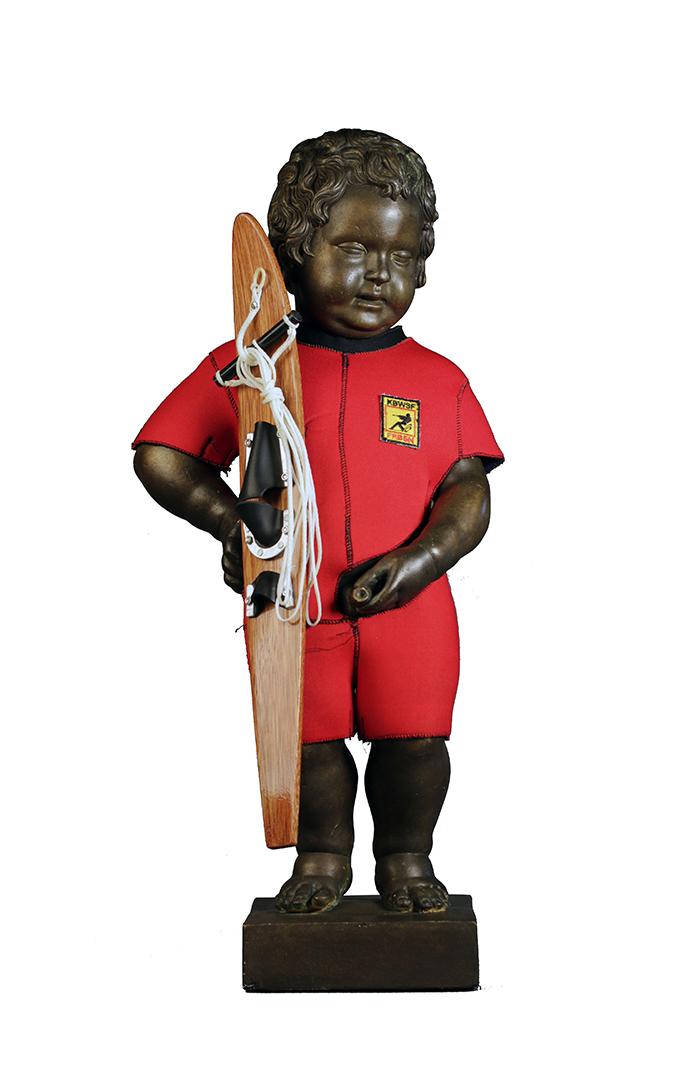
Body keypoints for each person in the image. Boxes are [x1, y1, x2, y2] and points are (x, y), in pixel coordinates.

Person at [132, 129, 504, 913]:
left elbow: (467, 490)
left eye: (400, 255)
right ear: (296, 252)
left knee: (416, 740)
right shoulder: (254, 368)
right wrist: (233, 524)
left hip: (410, 603)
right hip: (292, 603)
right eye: (354, 247)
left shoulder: (437, 380)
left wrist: (422, 560)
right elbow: (164, 454)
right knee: (309, 742)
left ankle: (407, 858)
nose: (380, 272)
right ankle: (322, 858)